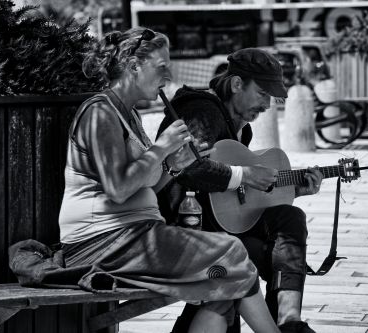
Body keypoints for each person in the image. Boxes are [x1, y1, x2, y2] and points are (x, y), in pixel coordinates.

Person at [58, 28, 281, 333]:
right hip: (102, 242)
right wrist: (162, 147)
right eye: (161, 66)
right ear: (134, 66)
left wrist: (174, 166)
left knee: (225, 284)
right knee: (231, 253)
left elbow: (146, 185)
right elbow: (118, 189)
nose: (168, 75)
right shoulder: (100, 113)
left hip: (133, 236)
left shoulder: (129, 115)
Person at [156, 48, 323, 333]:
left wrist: (293, 189)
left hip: (219, 224)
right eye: (262, 94)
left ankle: (289, 320)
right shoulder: (201, 110)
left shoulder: (240, 128)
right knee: (256, 259)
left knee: (289, 218)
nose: (268, 105)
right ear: (236, 84)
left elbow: (236, 198)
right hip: (188, 226)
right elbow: (190, 169)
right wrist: (244, 175)